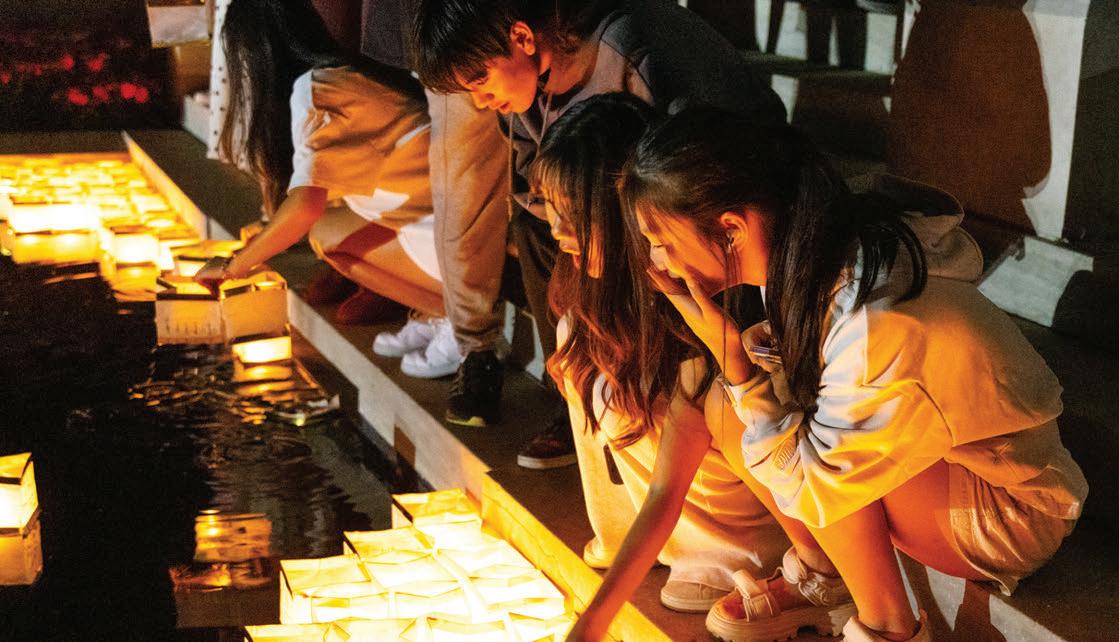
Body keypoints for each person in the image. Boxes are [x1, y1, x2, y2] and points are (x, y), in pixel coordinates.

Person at [616, 108, 1088, 642]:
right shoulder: (805, 250)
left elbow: (817, 486)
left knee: (782, 419)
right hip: (938, 475)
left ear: (730, 229)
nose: (657, 261)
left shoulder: (874, 319)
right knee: (729, 405)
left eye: (660, 239)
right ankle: (823, 576)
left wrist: (737, 362)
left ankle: (889, 627)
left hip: (1006, 510)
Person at [412, 0, 785, 468]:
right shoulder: (525, 96)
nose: (482, 102)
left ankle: (677, 393)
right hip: (620, 217)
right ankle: (581, 399)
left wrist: (612, 227)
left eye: (481, 81)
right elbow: (535, 181)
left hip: (711, 200)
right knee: (535, 230)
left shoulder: (628, 50)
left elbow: (698, 166)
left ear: (522, 38)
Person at [532, 93, 789, 633]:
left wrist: (593, 622)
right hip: (660, 528)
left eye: (571, 212)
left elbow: (668, 487)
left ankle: (738, 558)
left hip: (750, 530)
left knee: (711, 395)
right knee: (576, 342)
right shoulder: (591, 310)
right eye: (549, 208)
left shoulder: (709, 303)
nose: (556, 230)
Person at [197, 0, 462, 378]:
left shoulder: (315, 91)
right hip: (447, 222)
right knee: (327, 232)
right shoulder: (342, 75)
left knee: (326, 237)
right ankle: (440, 312)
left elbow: (304, 208)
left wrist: (233, 268)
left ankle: (460, 322)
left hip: (452, 239)